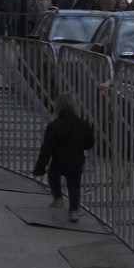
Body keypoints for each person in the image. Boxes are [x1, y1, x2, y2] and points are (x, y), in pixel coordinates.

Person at [32, 92, 95, 222]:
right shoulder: (83, 124)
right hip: (76, 162)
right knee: (74, 186)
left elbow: (46, 149)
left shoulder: (54, 126)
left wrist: (40, 167)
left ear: (58, 107)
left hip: (58, 161)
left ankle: (58, 198)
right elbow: (90, 143)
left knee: (53, 176)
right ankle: (74, 211)